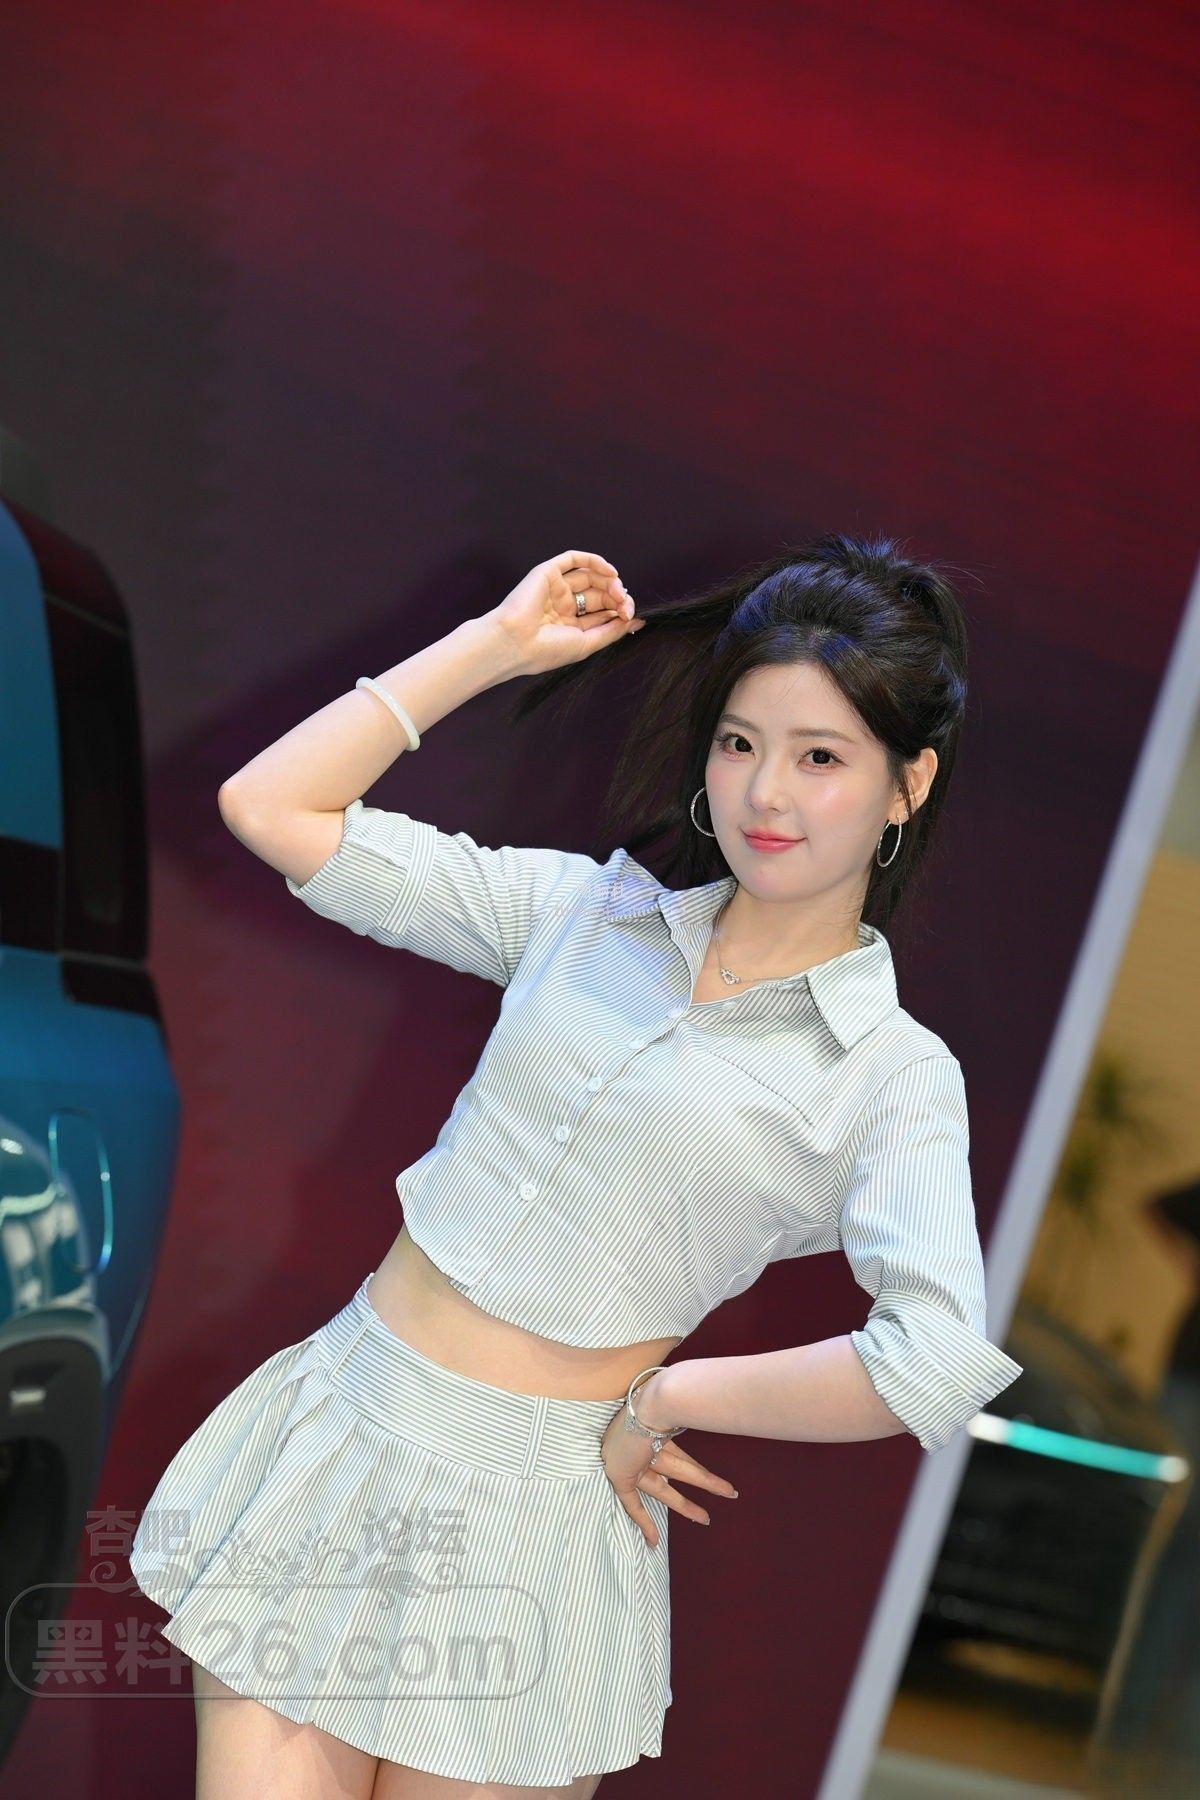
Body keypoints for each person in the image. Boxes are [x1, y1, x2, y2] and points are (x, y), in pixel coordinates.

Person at [129, 533, 1024, 1799]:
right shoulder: (579, 917)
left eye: (821, 758)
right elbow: (274, 808)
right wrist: (494, 645)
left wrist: (671, 1399)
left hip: (538, 1525)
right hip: (345, 1439)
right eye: (739, 743)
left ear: (906, 785)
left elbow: (930, 1357)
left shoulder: (890, 1075)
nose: (765, 793)